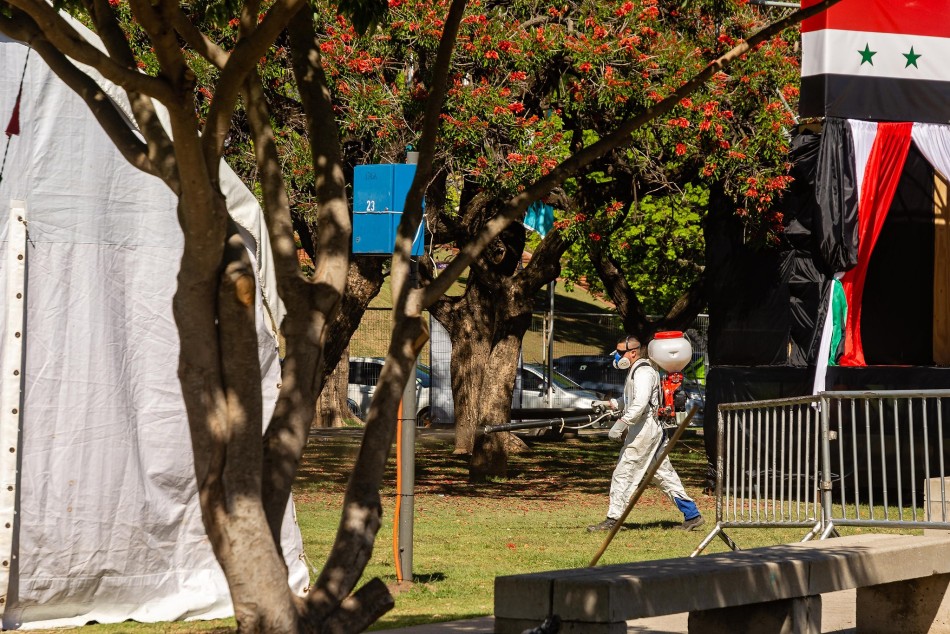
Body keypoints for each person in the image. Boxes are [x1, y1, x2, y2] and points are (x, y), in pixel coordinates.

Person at [587, 334, 705, 532]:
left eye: (620, 352)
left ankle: (613, 519)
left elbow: (641, 404)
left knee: (623, 473)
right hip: (648, 429)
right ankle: (692, 515)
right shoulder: (637, 370)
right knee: (663, 475)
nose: (617, 356)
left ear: (632, 353)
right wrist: (610, 404)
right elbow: (632, 400)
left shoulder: (643, 373)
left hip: (644, 430)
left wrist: (622, 423)